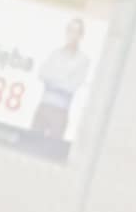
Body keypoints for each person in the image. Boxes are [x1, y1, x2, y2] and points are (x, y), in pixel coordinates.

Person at [30, 16, 92, 149]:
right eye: (70, 30)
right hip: (43, 107)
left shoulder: (83, 60)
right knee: (30, 144)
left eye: (76, 31)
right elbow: (42, 74)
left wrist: (53, 80)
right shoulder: (55, 53)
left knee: (52, 150)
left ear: (81, 36)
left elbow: (72, 87)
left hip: (60, 111)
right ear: (66, 32)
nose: (72, 35)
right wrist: (63, 78)